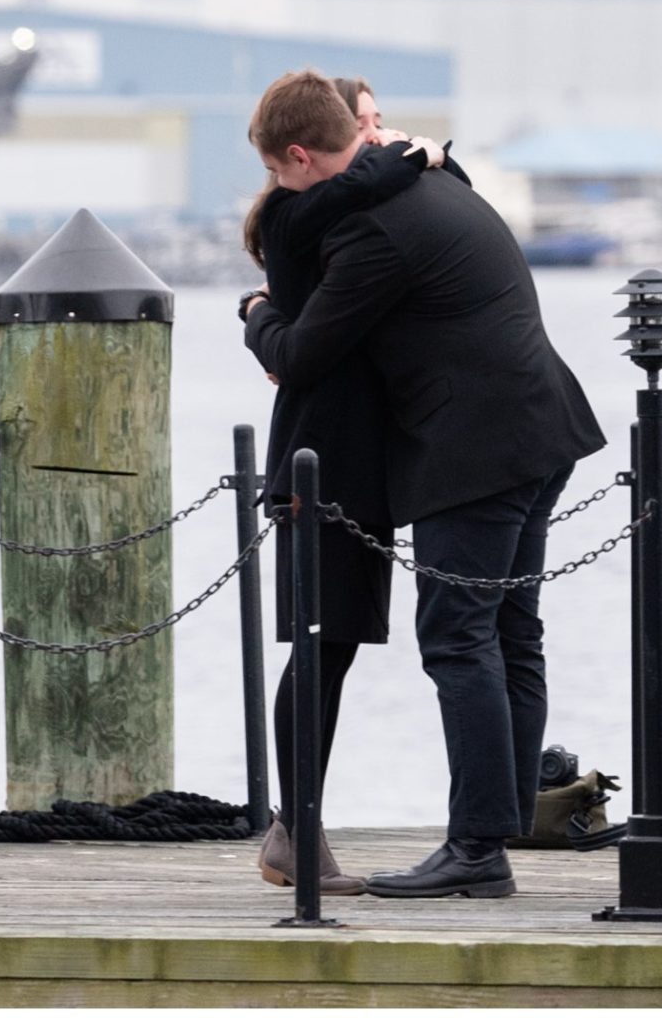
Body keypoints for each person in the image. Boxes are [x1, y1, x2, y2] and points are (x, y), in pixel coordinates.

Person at [241, 80, 605, 903]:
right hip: (543, 425)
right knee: (511, 629)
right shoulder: (435, 184)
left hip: (473, 449)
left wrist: (256, 312)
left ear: (299, 157)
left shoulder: (373, 233)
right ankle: (498, 823)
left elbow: (300, 354)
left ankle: (477, 849)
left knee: (456, 637)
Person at [238, 71, 449, 896]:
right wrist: (418, 154)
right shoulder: (296, 212)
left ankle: (298, 829)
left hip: (346, 461)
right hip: (318, 462)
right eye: (363, 127)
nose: (375, 140)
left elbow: (368, 177)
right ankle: (298, 830)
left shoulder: (319, 201)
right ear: (301, 153)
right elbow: (371, 177)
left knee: (338, 643)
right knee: (320, 645)